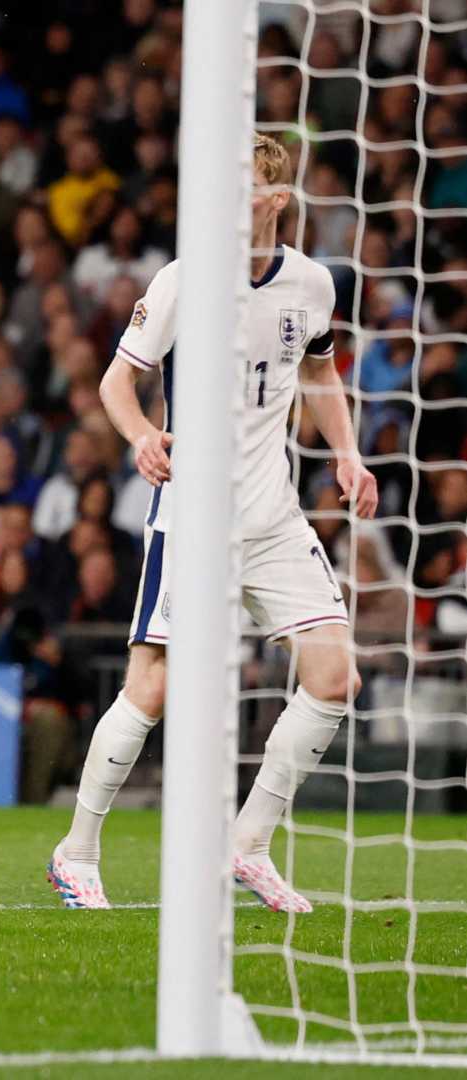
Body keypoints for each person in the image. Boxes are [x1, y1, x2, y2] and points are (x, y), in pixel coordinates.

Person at [47, 136, 379, 913]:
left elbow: (320, 369)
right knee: (152, 687)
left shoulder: (309, 283)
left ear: (274, 199)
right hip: (192, 516)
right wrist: (138, 436)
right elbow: (115, 382)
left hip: (272, 514)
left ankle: (248, 845)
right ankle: (75, 853)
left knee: (334, 677)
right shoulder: (182, 282)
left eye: (245, 187)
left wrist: (348, 455)